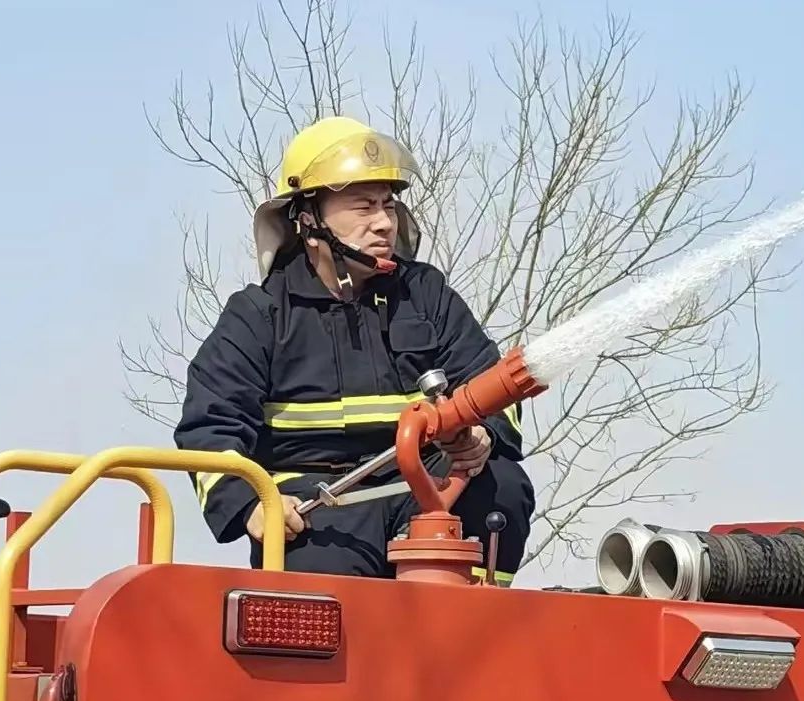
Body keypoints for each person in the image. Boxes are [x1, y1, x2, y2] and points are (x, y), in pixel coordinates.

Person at [173, 116, 535, 583]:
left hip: (423, 486)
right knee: (328, 597)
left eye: (388, 205)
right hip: (316, 510)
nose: (384, 223)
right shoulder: (259, 316)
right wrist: (253, 505)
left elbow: (495, 389)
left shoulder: (427, 296)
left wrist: (482, 433)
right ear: (308, 220)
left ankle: (473, 622)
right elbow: (208, 429)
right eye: (364, 207)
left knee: (501, 485)